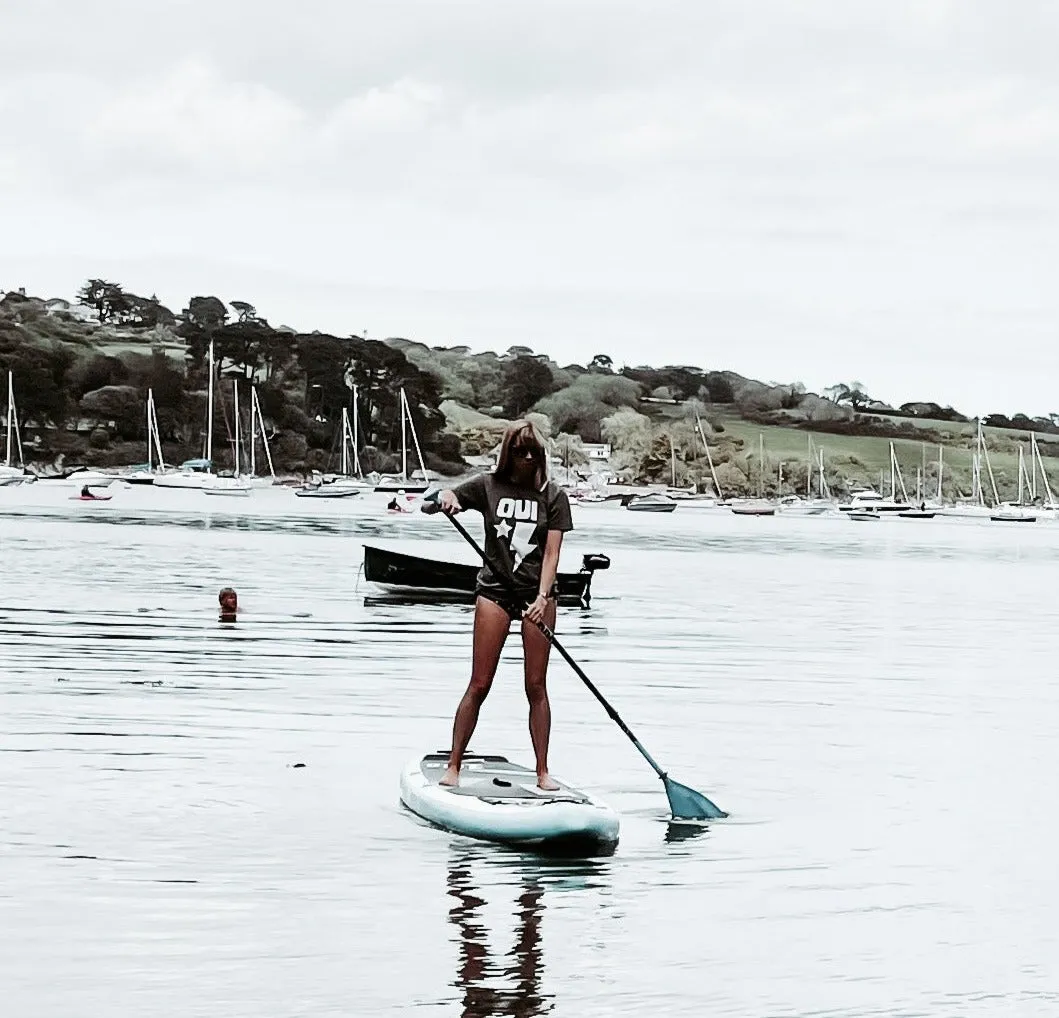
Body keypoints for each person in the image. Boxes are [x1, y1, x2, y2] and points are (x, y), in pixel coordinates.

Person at [436, 420, 573, 791]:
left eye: (534, 452)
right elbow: (448, 495)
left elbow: (552, 554)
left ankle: (543, 771)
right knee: (480, 683)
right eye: (520, 451)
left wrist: (543, 598)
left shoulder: (554, 496)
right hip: (495, 592)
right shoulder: (487, 485)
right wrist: (446, 499)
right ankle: (453, 765)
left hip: (537, 597)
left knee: (536, 686)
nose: (527, 458)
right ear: (508, 453)